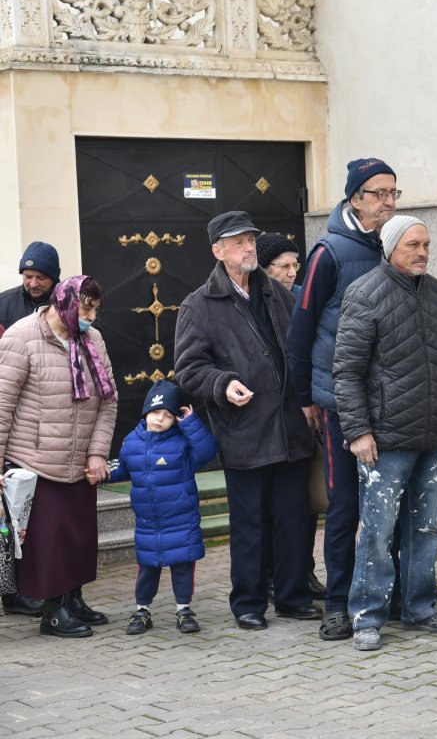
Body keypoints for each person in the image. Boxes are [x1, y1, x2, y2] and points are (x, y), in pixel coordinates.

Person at [174, 211, 318, 631]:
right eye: (238, 242)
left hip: (291, 427)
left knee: (293, 518)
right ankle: (249, 603)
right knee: (250, 523)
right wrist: (223, 384)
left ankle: (293, 596)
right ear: (218, 251)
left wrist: (309, 399)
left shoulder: (279, 293)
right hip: (245, 431)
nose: (248, 248)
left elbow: (300, 350)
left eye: (251, 240)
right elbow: (189, 368)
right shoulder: (199, 305)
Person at [333, 215, 437, 652]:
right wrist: (357, 431)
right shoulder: (365, 293)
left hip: (431, 434)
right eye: (413, 245)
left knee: (425, 528)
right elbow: (347, 371)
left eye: (426, 244)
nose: (423, 252)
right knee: (377, 529)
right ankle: (367, 616)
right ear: (390, 247)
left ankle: (420, 607)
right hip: (384, 439)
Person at [286, 158, 404, 642]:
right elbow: (302, 327)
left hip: (390, 400)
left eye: (394, 193)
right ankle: (336, 604)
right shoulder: (329, 253)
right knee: (345, 505)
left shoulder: (395, 245)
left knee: (390, 503)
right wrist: (304, 395)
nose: (388, 202)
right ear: (354, 198)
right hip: (338, 401)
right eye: (378, 193)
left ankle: (384, 595)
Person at [0, 275, 117, 637]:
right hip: (36, 458)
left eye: (96, 309)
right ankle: (53, 613)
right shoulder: (21, 337)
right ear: (63, 302)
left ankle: (73, 600)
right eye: (86, 308)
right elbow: (2, 404)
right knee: (48, 540)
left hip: (79, 457)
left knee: (79, 536)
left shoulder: (91, 339)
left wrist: (98, 451)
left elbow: (108, 400)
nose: (91, 317)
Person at [104, 380, 218, 635]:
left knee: (182, 567)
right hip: (148, 523)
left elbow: (208, 451)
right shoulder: (131, 441)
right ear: (146, 412)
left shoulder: (182, 443)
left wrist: (190, 423)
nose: (160, 419)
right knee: (148, 568)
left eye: (168, 415)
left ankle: (183, 609)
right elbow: (122, 468)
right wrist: (102, 473)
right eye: (155, 413)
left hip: (181, 520)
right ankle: (142, 610)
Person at [257, 232, 325, 600]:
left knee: (305, 503)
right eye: (284, 266)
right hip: (269, 420)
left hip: (302, 415)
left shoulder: (301, 298)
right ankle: (270, 575)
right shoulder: (258, 304)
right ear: (266, 270)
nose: (291, 272)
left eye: (295, 265)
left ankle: (303, 572)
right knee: (273, 505)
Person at [0, 241, 60, 617]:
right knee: (8, 521)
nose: (33, 282)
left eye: (40, 277)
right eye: (27, 275)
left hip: (43, 429)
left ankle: (34, 586)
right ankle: (12, 593)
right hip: (11, 422)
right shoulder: (5, 303)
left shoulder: (68, 306)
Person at [0, 241, 60, 332]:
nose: (33, 284)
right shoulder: (3, 302)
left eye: (41, 278)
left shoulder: (70, 304)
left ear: (54, 278)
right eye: (28, 277)